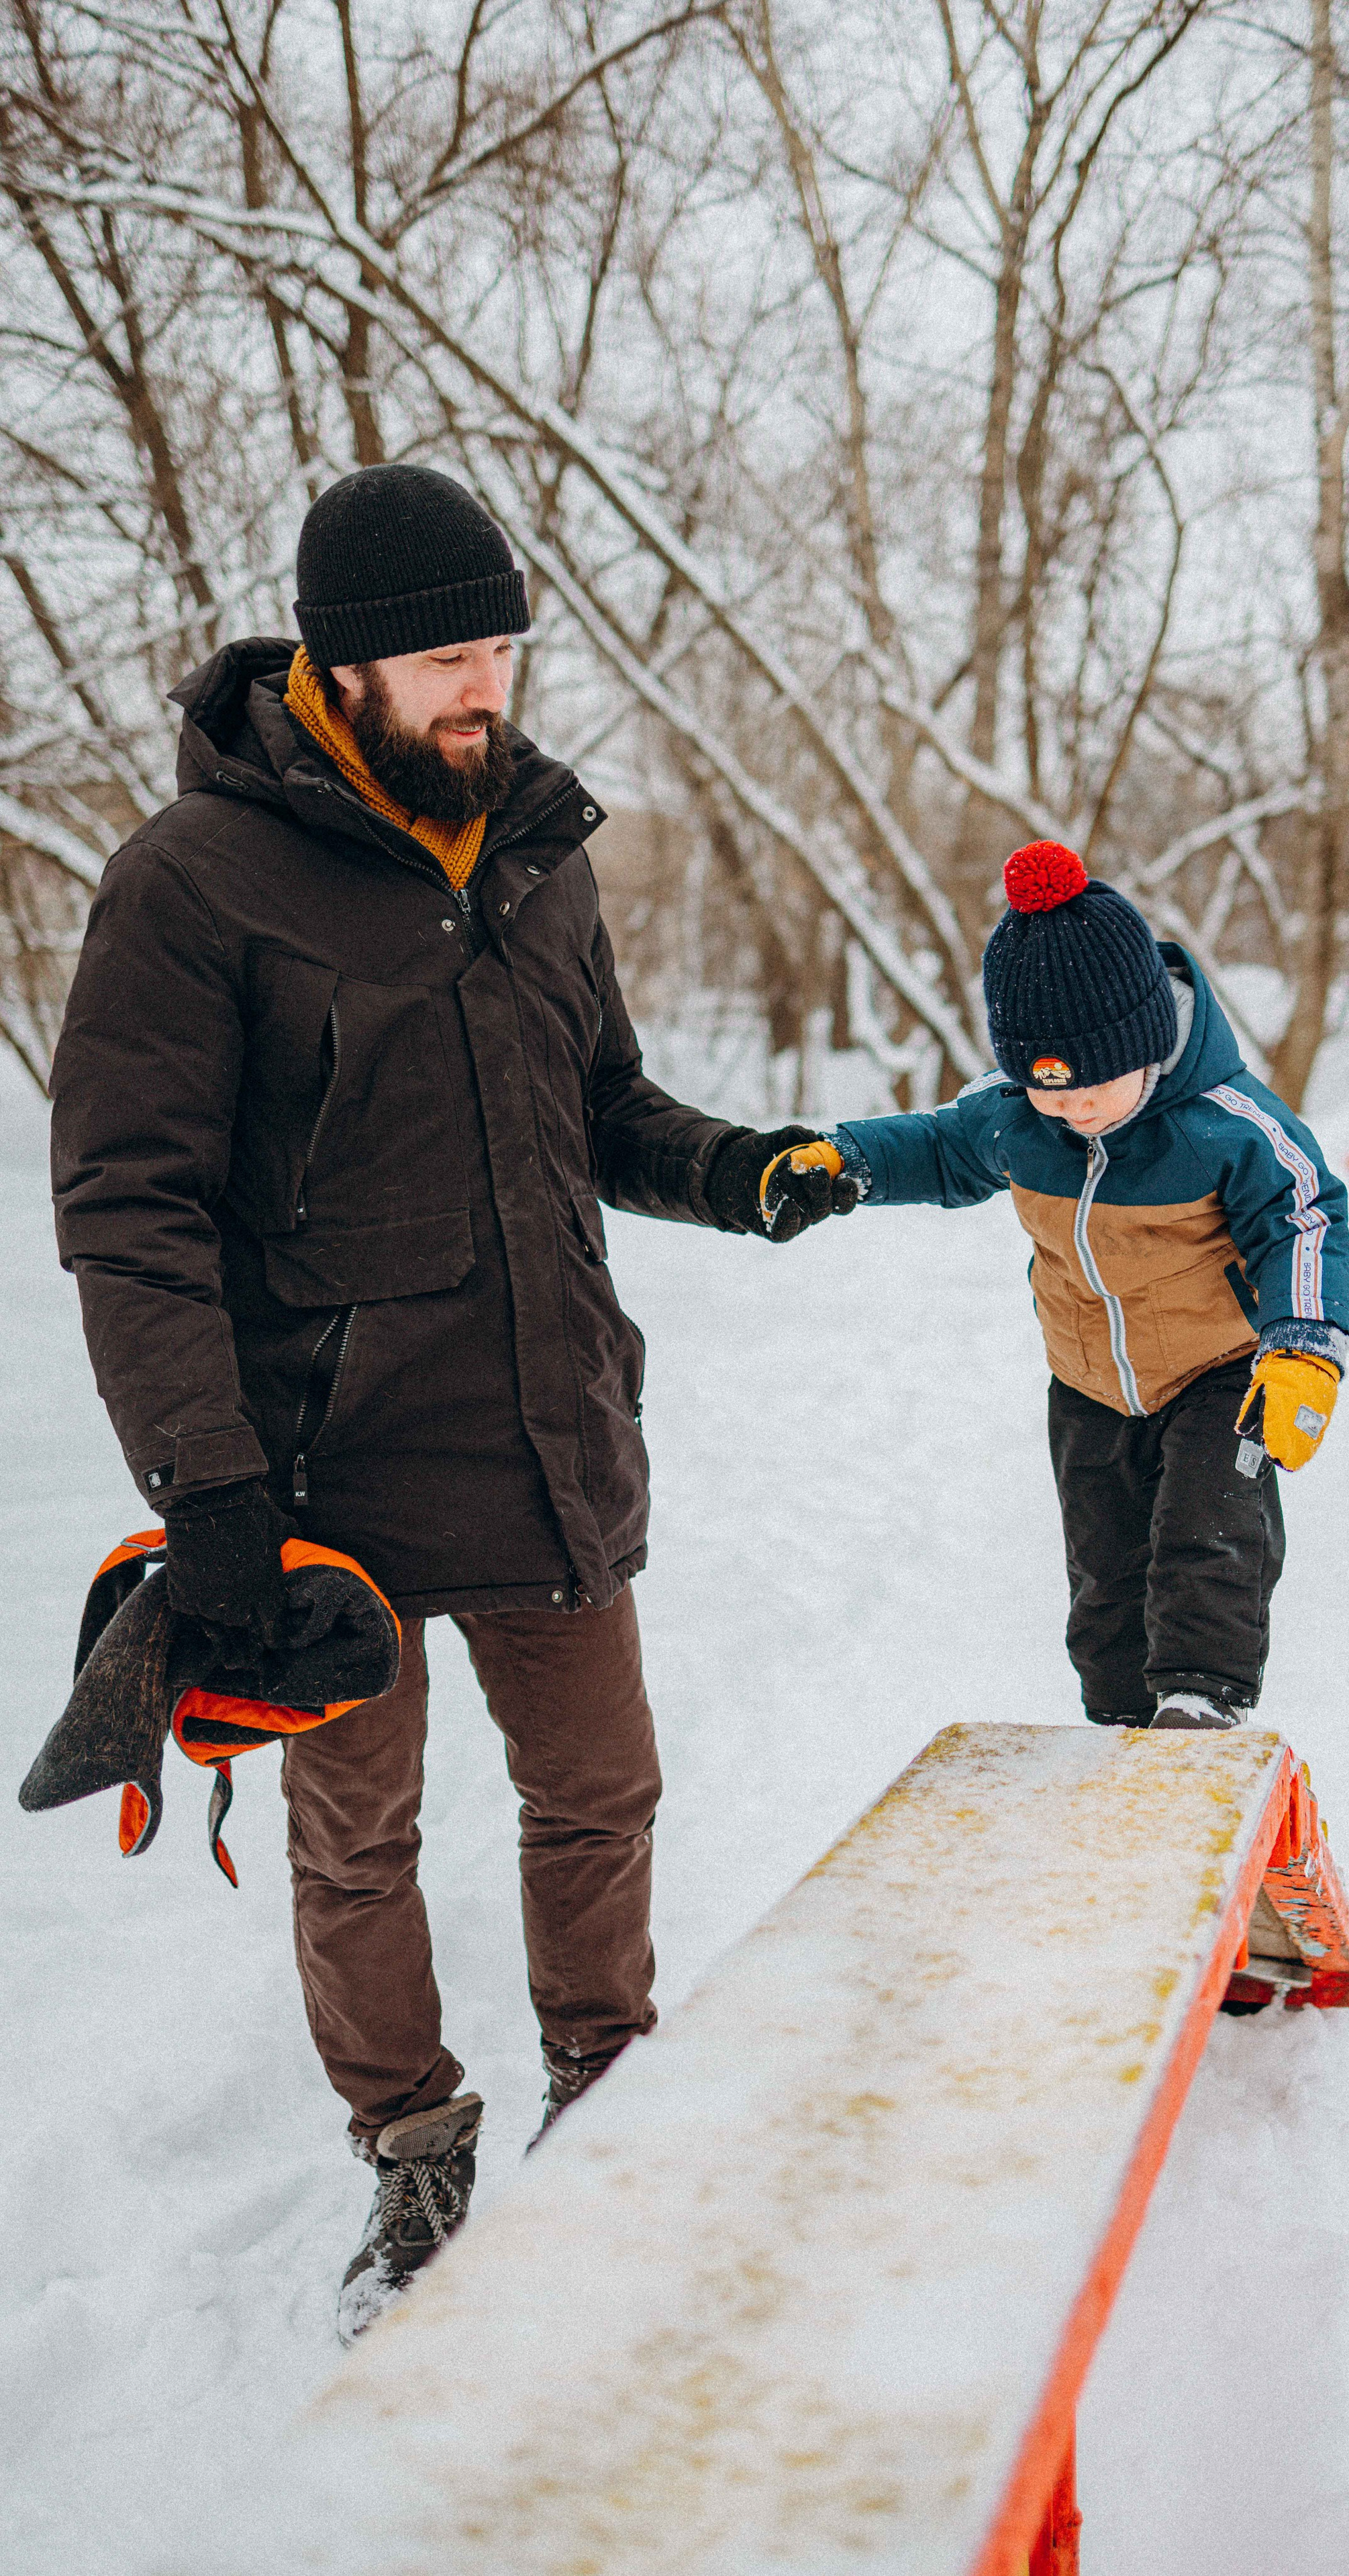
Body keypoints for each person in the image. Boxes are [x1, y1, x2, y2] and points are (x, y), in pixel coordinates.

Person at [48, 463, 854, 2341]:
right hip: (320, 1475)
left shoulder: (539, 852)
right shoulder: (192, 887)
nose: (488, 686)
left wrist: (733, 1170)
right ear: (340, 669)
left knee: (602, 1789)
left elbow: (602, 1109)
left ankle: (609, 2084)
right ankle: (412, 2137)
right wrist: (207, 1481)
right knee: (360, 1836)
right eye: (448, 657)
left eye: (502, 645)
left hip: (547, 1427)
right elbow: (127, 1206)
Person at [820, 838, 1349, 1729]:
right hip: (1089, 1386)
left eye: (1091, 1088)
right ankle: (1119, 1722)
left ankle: (1199, 1701)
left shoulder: (1227, 1124)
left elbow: (1306, 1217)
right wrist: (849, 1158)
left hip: (1219, 1374)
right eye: (1048, 1090)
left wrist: (1304, 1353)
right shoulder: (1018, 1120)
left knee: (1205, 1538)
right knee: (1105, 1579)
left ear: (1143, 1042)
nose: (1072, 1109)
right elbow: (940, 1145)